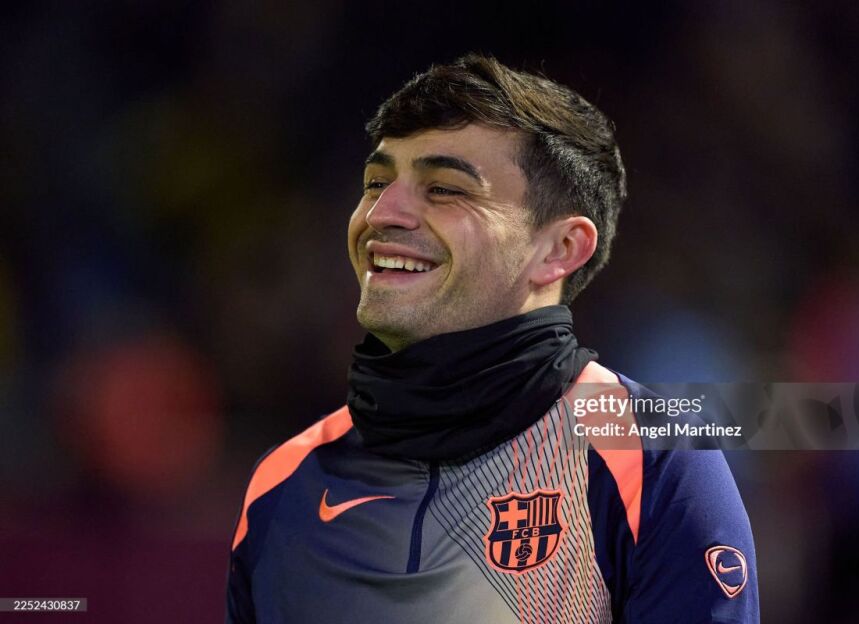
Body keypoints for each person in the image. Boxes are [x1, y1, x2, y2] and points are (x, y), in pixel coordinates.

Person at [226, 54, 759, 623]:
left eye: (444, 189)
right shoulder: (282, 483)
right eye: (376, 183)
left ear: (559, 249)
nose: (382, 213)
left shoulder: (650, 455)